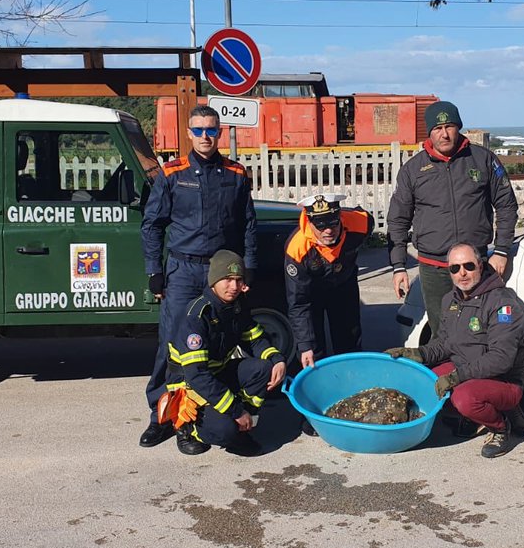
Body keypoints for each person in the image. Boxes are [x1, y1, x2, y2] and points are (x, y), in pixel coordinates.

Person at [139, 105, 257, 452]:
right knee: (172, 345)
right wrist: (154, 271)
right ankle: (161, 416)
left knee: (219, 342)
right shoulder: (173, 173)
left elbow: (248, 225)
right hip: (183, 271)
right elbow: (152, 225)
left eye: (211, 130)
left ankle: (202, 417)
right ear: (188, 133)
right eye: (199, 130)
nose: (205, 136)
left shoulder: (235, 173)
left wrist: (246, 269)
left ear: (219, 133)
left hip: (220, 275)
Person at [386, 243, 524, 459]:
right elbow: (444, 344)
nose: (462, 273)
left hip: (503, 380)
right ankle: (476, 418)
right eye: (455, 268)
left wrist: (457, 377)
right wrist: (416, 355)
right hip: (467, 369)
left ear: (481, 266)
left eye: (468, 266)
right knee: (424, 382)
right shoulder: (451, 300)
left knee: (464, 399)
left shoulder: (502, 303)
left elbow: (501, 360)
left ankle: (500, 428)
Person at [386, 100, 519, 336]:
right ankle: (449, 372)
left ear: (458, 127)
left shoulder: (483, 160)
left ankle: (477, 373)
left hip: (475, 265)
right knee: (443, 332)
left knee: (480, 329)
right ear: (429, 132)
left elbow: (506, 205)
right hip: (434, 269)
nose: (444, 134)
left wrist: (501, 250)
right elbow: (398, 220)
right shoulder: (412, 170)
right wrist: (398, 266)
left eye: (449, 126)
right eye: (437, 129)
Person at [166, 250, 287, 457]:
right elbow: (197, 376)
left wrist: (277, 359)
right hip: (191, 386)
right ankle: (188, 429)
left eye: (239, 280)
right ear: (214, 280)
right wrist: (236, 411)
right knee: (225, 430)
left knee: (264, 369)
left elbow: (255, 338)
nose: (234, 287)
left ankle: (244, 427)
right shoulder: (197, 315)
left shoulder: (236, 306)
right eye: (227, 279)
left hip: (217, 375)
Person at [284, 193, 373, 436]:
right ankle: (314, 412)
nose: (328, 231)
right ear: (308, 221)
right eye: (320, 225)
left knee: (350, 343)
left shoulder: (358, 223)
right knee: (314, 353)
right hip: (310, 294)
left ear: (340, 217)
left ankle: (355, 402)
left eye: (333, 222)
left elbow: (370, 220)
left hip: (343, 286)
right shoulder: (297, 248)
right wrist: (304, 345)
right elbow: (298, 303)